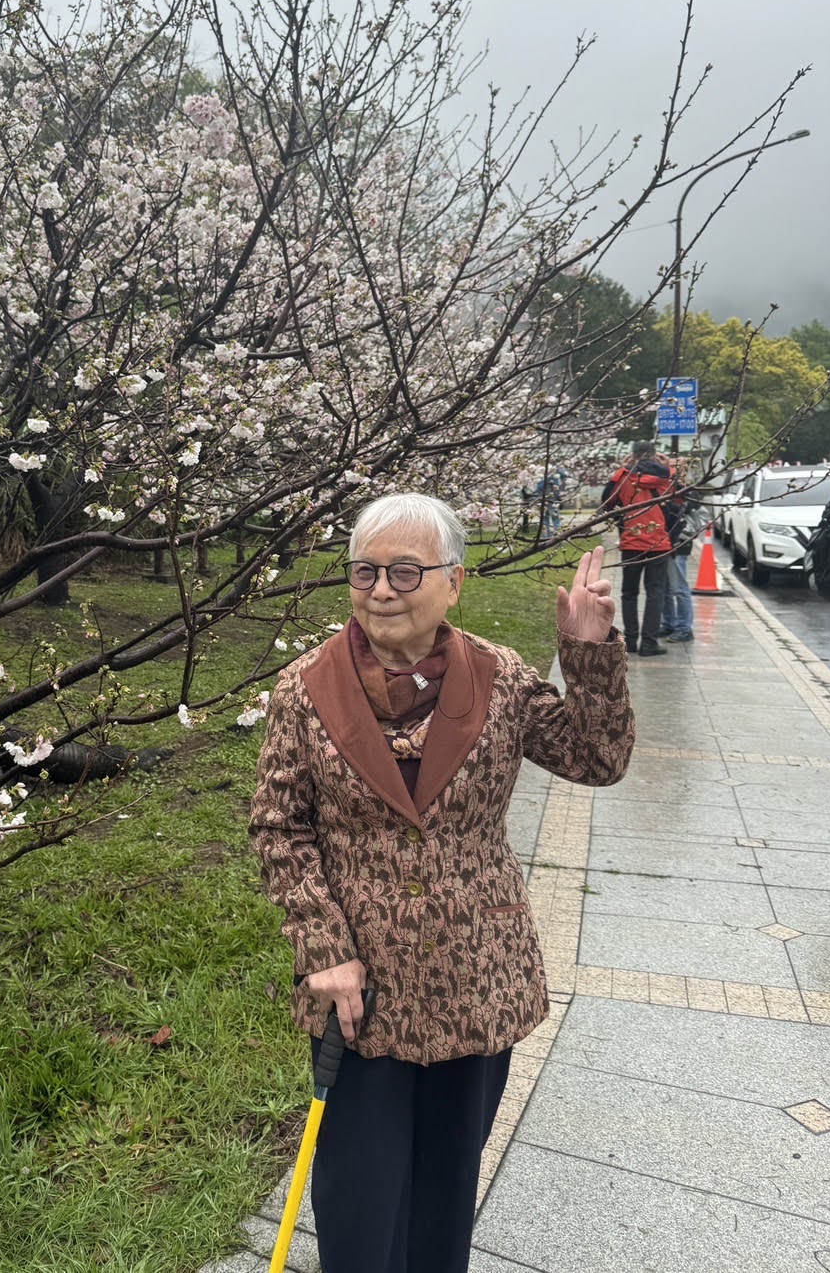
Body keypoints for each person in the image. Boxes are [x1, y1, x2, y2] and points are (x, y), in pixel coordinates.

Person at [249, 493, 635, 1273]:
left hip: (478, 974)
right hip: (359, 986)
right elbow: (279, 827)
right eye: (365, 570)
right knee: (359, 1194)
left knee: (447, 1186)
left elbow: (596, 759)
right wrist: (322, 946)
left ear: (452, 583)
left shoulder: (499, 675)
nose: (381, 589)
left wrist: (589, 655)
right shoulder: (306, 686)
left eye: (404, 570)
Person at [600, 440, 674, 655]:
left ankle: (630, 641)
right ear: (654, 455)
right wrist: (668, 465)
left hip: (631, 541)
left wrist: (620, 469)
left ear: (632, 455)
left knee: (629, 593)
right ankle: (649, 643)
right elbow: (681, 501)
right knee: (655, 593)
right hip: (659, 543)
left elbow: (607, 502)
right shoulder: (666, 477)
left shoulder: (623, 477)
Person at [661, 479, 700, 643]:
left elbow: (695, 501)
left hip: (679, 545)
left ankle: (684, 628)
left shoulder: (682, 487)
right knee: (666, 588)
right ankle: (670, 623)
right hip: (665, 544)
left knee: (679, 588)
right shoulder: (662, 485)